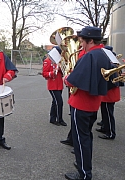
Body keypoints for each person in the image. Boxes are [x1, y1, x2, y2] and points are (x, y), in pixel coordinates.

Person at [63, 26, 113, 180]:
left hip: (81, 103)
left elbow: (72, 81)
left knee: (80, 139)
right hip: (93, 103)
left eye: (82, 40)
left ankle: (84, 173)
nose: (80, 44)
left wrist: (66, 78)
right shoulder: (104, 53)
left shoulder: (90, 56)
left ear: (90, 40)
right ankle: (84, 166)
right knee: (86, 137)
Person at [96, 46, 122, 140]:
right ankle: (104, 127)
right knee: (105, 112)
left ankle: (111, 133)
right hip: (107, 93)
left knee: (108, 114)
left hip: (109, 93)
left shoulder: (112, 64)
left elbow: (113, 82)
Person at [42, 46, 67, 126]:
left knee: (55, 102)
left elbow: (63, 72)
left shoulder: (59, 61)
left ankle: (52, 119)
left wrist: (62, 68)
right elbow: (44, 74)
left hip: (59, 84)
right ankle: (59, 119)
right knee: (59, 102)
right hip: (52, 85)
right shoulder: (47, 61)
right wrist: (53, 72)